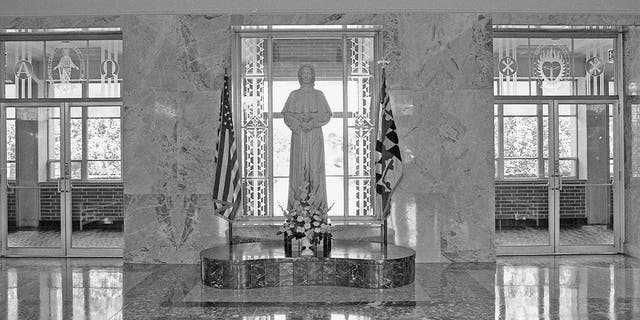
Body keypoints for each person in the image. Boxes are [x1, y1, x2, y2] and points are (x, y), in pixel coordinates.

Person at [282, 65, 331, 211]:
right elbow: (287, 115)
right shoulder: (293, 95)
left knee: (315, 168)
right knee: (299, 168)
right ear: (299, 75)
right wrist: (298, 124)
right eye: (303, 73)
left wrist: (313, 122)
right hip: (299, 135)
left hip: (314, 134)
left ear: (313, 75)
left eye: (308, 73)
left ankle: (318, 209)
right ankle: (297, 209)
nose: (306, 75)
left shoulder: (319, 95)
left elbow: (326, 114)